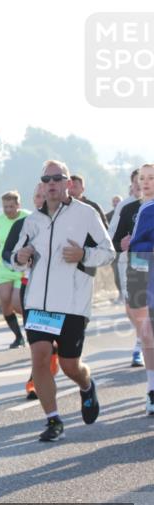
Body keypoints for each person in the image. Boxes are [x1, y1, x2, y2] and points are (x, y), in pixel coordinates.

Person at [12, 160, 115, 442]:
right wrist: (20, 258)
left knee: (71, 366)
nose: (52, 183)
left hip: (72, 304)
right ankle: (53, 419)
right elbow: (16, 258)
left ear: (68, 183)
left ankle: (86, 385)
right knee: (40, 358)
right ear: (42, 185)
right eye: (47, 179)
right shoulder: (33, 220)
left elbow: (109, 252)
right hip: (39, 305)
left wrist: (84, 255)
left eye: (58, 178)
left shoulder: (86, 214)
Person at [2, 183, 58, 400]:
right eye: (37, 195)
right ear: (33, 200)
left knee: (60, 346)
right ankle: (36, 378)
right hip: (31, 288)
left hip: (60, 290)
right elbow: (6, 253)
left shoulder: (66, 224)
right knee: (37, 339)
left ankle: (54, 358)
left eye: (45, 195)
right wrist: (18, 259)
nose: (41, 199)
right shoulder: (22, 224)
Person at [124, 163, 154, 415]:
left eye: (151, 178)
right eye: (142, 178)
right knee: (148, 338)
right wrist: (135, 291)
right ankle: (152, 391)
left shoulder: (148, 210)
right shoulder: (142, 209)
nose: (145, 183)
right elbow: (138, 254)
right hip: (147, 284)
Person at [0, 191, 32, 348]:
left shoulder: (28, 217)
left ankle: (33, 333)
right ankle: (18, 337)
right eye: (5, 207)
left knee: (18, 304)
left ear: (18, 205)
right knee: (5, 299)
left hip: (22, 267)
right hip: (4, 266)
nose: (8, 210)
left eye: (11, 206)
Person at [109, 169, 144, 367]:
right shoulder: (125, 206)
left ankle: (141, 345)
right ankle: (141, 342)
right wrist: (120, 244)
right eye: (137, 181)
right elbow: (111, 237)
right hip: (129, 262)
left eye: (146, 179)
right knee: (133, 306)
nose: (141, 184)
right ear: (131, 184)